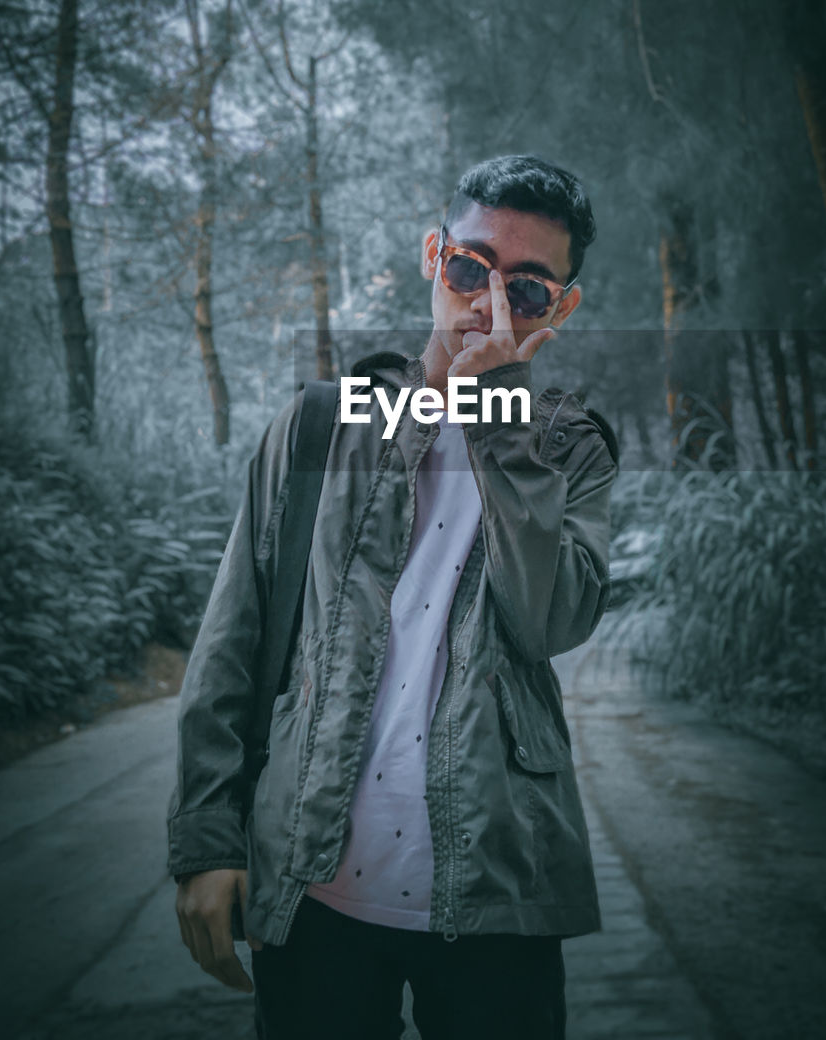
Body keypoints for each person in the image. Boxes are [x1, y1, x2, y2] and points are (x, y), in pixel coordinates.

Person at [168, 154, 618, 1040]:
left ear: (560, 310)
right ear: (431, 257)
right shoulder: (318, 423)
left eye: (526, 291)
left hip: (498, 888)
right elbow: (233, 635)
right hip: (312, 881)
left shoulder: (572, 448)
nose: (487, 305)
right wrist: (207, 841)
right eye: (469, 268)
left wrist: (494, 416)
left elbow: (546, 621)